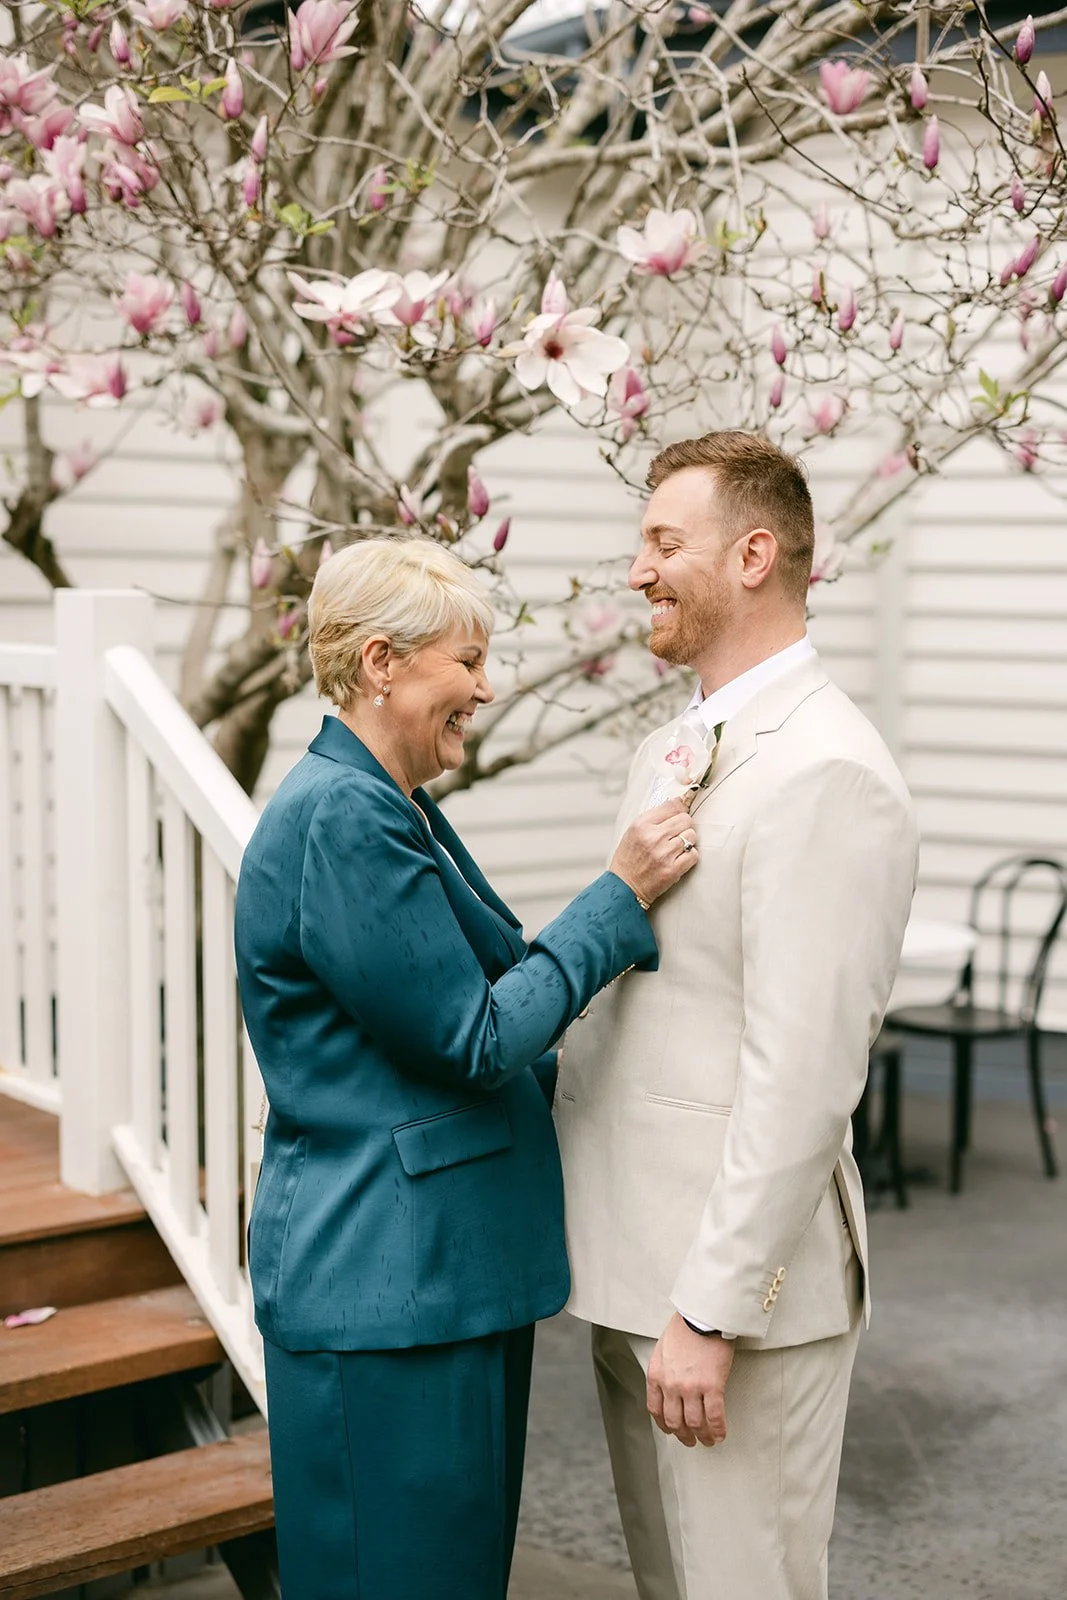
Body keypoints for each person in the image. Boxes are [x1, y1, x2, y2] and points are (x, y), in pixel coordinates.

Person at [234, 536, 700, 1600]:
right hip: (383, 1285)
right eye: (467, 661)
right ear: (382, 661)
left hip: (444, 1278)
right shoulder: (340, 819)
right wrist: (616, 897)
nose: (486, 688)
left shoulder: (393, 805)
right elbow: (473, 1035)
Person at [554, 431, 919, 1600]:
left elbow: (799, 1078)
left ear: (753, 554)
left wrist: (708, 1311)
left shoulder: (828, 771)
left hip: (728, 1301)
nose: (636, 570)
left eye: (664, 542)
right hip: (631, 1270)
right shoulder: (674, 745)